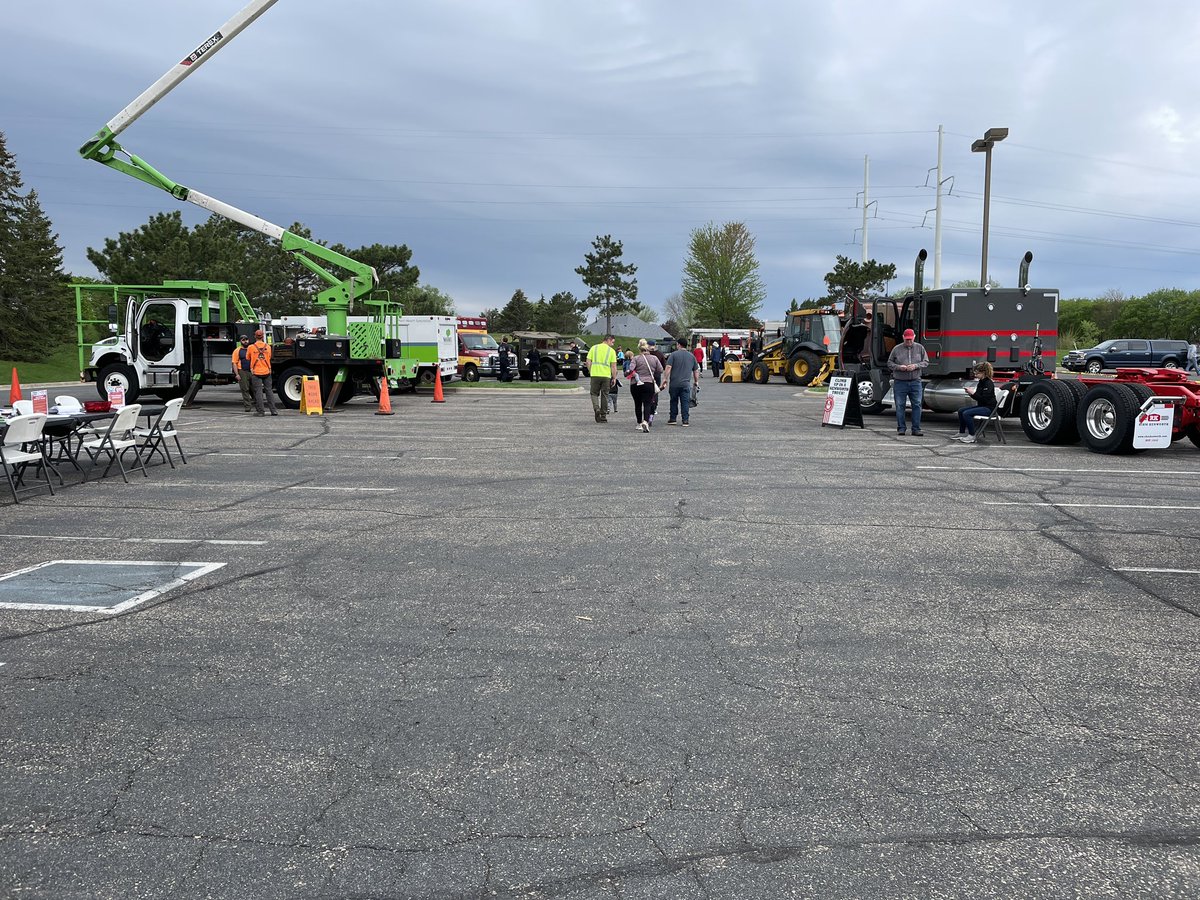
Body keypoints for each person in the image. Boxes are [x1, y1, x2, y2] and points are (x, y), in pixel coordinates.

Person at [888, 327, 928, 435]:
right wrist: (899, 367)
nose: (909, 341)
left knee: (917, 404)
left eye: (910, 339)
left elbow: (926, 362)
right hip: (900, 381)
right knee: (900, 405)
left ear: (914, 337)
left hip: (916, 381)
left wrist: (915, 366)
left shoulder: (920, 348)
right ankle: (901, 428)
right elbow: (889, 363)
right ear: (903, 338)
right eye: (907, 339)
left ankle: (916, 429)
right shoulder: (896, 349)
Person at [953, 362, 998, 443]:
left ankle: (972, 435)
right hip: (982, 406)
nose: (975, 375)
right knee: (961, 411)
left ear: (983, 372)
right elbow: (979, 398)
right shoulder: (981, 382)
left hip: (989, 408)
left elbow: (984, 399)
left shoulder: (988, 383)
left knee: (966, 413)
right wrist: (971, 393)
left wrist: (973, 393)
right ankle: (962, 432)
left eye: (977, 373)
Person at [627, 338, 664, 433]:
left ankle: (639, 423)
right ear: (647, 348)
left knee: (637, 404)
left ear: (639, 349)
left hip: (636, 384)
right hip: (649, 383)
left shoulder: (635, 358)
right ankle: (646, 421)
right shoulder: (654, 358)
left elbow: (631, 369)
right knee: (647, 403)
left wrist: (627, 373)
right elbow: (660, 370)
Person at [662, 337, 700, 426]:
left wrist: (665, 378)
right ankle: (685, 420)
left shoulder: (673, 355)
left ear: (678, 344)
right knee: (685, 402)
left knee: (674, 401)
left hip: (674, 383)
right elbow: (696, 371)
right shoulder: (691, 356)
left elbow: (668, 367)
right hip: (685, 384)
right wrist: (696, 381)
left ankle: (673, 419)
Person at [586, 335, 618, 423]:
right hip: (606, 376)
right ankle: (603, 416)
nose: (612, 344)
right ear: (608, 340)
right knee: (605, 395)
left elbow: (588, 362)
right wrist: (614, 378)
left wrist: (591, 371)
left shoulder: (594, 348)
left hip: (595, 375)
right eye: (612, 342)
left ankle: (596, 409)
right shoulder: (611, 351)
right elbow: (613, 366)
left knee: (594, 393)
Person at [249, 329, 279, 416]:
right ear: (263, 336)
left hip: (256, 372)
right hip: (266, 371)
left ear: (255, 336)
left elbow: (248, 357)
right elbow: (269, 357)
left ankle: (261, 411)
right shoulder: (268, 347)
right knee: (269, 391)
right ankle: (273, 411)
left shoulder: (251, 347)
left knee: (258, 392)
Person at [231, 334, 254, 412]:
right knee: (245, 389)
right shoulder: (237, 350)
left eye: (246, 339)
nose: (245, 341)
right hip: (242, 371)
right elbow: (234, 363)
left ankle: (258, 404)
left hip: (252, 371)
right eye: (243, 340)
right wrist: (237, 374)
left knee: (255, 389)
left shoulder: (252, 349)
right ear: (240, 341)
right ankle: (248, 406)